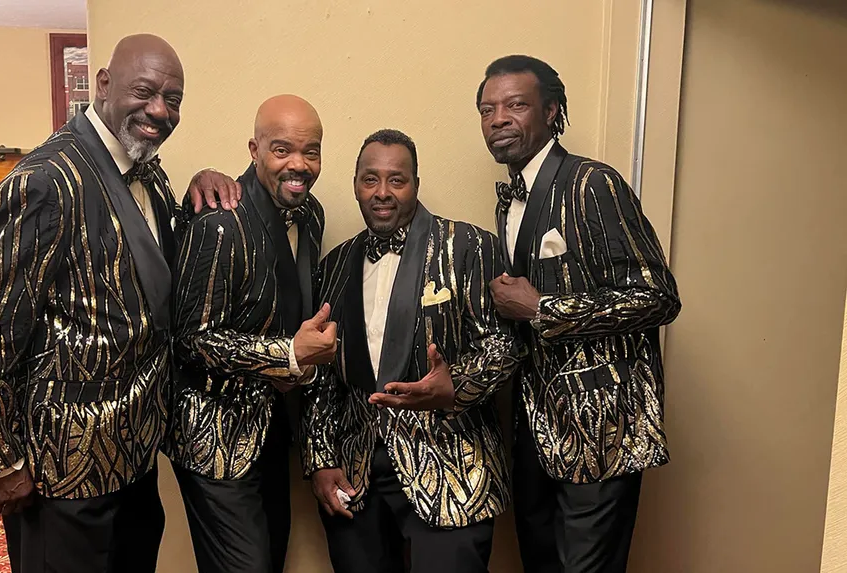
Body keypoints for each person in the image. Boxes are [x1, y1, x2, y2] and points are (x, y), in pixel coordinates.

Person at [0, 34, 201, 572]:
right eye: (145, 91)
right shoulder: (46, 180)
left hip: (134, 464)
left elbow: (149, 284)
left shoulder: (150, 173)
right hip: (61, 479)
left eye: (172, 98)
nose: (159, 110)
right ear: (102, 85)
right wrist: (0, 461)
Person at [478, 55, 682, 573]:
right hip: (535, 431)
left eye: (515, 105)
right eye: (487, 109)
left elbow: (658, 295)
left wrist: (543, 308)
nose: (498, 118)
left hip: (602, 432)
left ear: (551, 112)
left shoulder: (594, 184)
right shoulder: (508, 202)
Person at [300, 129, 522, 573]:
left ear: (415, 183)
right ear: (355, 185)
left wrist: (456, 384)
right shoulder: (335, 264)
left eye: (396, 180)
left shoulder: (469, 247)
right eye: (369, 180)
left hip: (451, 469)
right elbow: (322, 378)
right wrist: (320, 460)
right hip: (356, 476)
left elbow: (507, 345)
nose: (382, 193)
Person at [165, 94, 338, 573]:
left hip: (274, 430)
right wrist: (286, 354)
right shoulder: (220, 222)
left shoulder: (312, 214)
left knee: (271, 558)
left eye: (312, 151)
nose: (299, 165)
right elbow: (192, 339)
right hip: (216, 438)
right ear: (254, 150)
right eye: (282, 150)